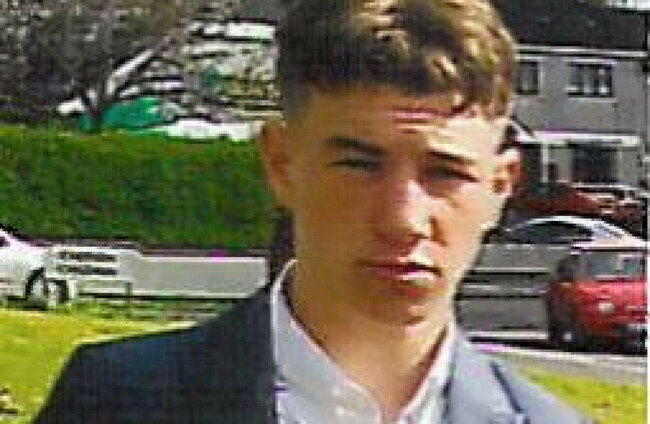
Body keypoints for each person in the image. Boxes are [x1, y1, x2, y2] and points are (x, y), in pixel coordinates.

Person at [35, 1, 590, 423]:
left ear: (500, 186)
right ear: (281, 164)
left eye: (444, 173)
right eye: (359, 165)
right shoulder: (118, 401)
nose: (402, 219)